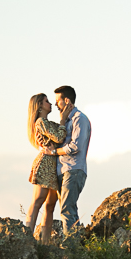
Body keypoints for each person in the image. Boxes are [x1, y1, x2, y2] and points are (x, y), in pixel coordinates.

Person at [40, 85, 91, 233]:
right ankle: (75, 246)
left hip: (73, 170)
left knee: (67, 210)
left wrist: (54, 152)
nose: (55, 104)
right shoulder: (65, 121)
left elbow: (76, 146)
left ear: (67, 100)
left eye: (58, 101)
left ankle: (71, 250)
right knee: (68, 210)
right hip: (63, 171)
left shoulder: (79, 119)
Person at [25, 93, 69, 243]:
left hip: (53, 167)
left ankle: (45, 243)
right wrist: (62, 121)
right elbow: (59, 137)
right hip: (45, 166)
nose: (50, 104)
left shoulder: (47, 123)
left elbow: (61, 133)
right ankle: (27, 238)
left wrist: (63, 121)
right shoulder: (40, 122)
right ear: (39, 105)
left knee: (50, 206)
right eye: (46, 101)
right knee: (38, 202)